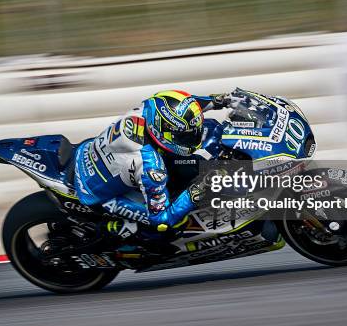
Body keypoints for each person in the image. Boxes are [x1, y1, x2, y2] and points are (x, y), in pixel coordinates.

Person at [73, 89, 235, 239]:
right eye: (184, 137)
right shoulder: (151, 167)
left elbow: (186, 106)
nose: (192, 140)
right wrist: (197, 191)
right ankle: (119, 233)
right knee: (172, 226)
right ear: (162, 132)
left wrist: (216, 101)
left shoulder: (150, 108)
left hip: (91, 155)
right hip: (99, 193)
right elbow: (162, 218)